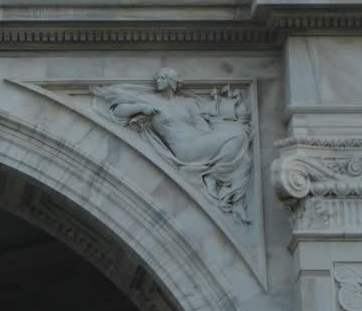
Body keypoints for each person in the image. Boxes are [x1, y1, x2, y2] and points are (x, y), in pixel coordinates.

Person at [93, 68, 253, 224]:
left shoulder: (188, 103)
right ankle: (216, 177)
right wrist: (141, 108)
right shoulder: (150, 101)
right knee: (239, 135)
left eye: (162, 77)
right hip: (186, 150)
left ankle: (216, 177)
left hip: (201, 142)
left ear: (171, 82)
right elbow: (119, 111)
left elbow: (202, 127)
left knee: (240, 144)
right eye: (158, 77)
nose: (158, 80)